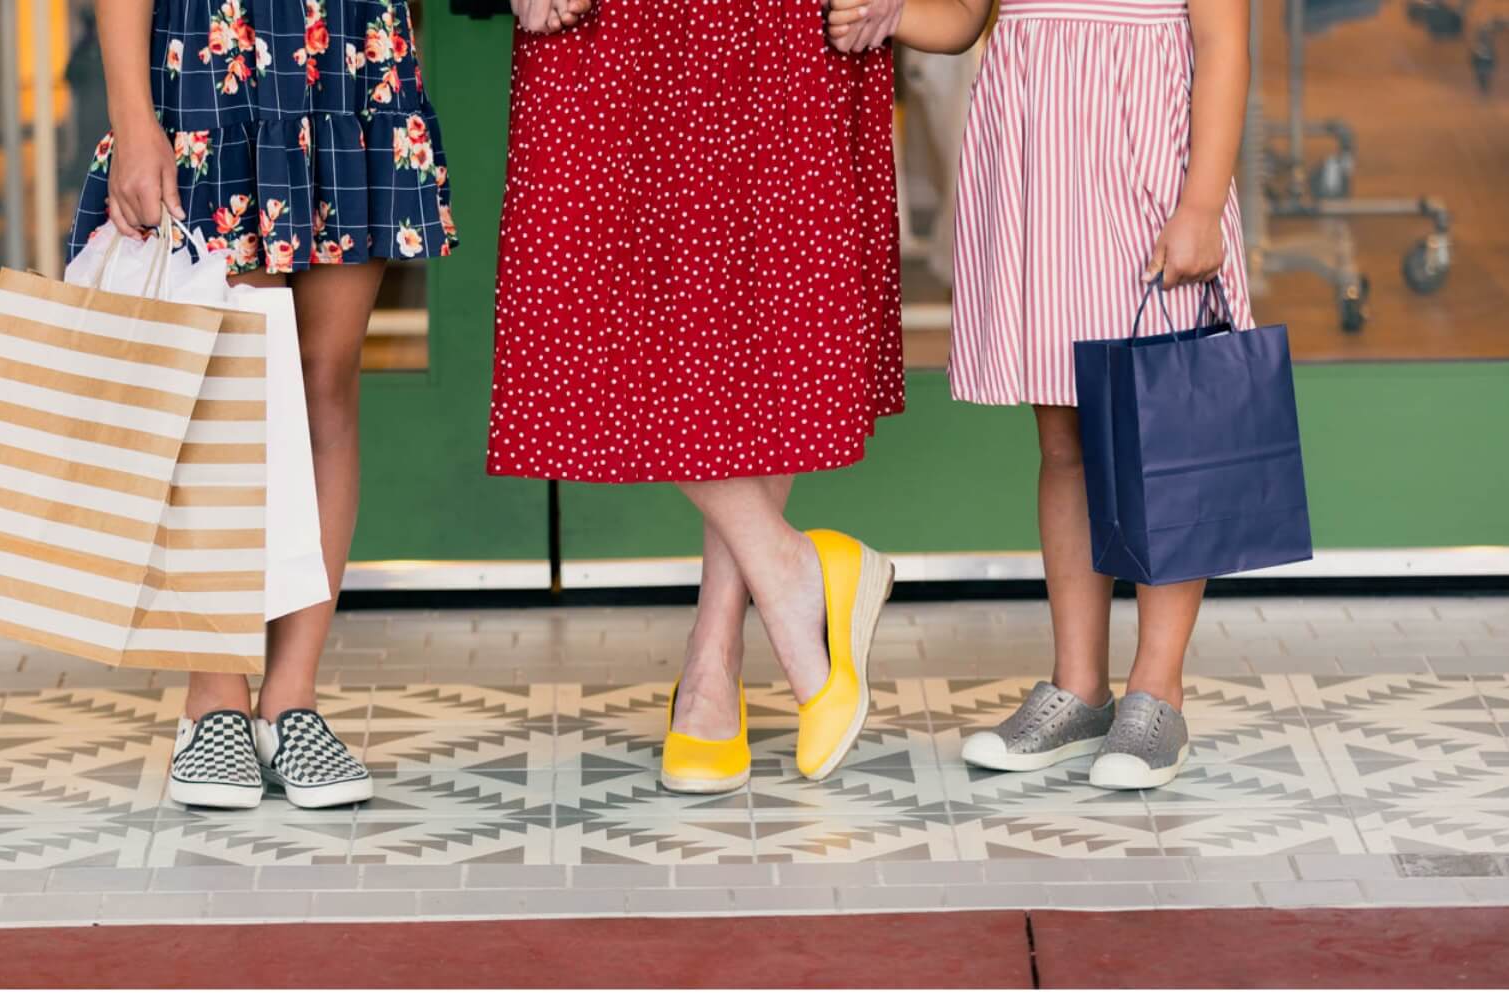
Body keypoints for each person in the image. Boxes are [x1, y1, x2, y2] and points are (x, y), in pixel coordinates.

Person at [828, 0, 1254, 788]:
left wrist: (1200, 204)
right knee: (1063, 441)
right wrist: (886, 12)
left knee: (1159, 438)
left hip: (1143, 170)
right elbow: (962, 18)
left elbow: (1222, 42)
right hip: (1036, 165)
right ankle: (1077, 687)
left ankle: (1156, 691)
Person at [492, 0, 909, 792]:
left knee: (758, 311)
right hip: (610, 21)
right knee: (593, 296)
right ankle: (789, 572)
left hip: (772, 20)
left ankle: (714, 659)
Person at [67, 0, 458, 809]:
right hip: (210, 58)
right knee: (225, 391)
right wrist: (133, 119)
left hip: (350, 54)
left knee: (326, 382)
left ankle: (292, 698)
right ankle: (213, 699)